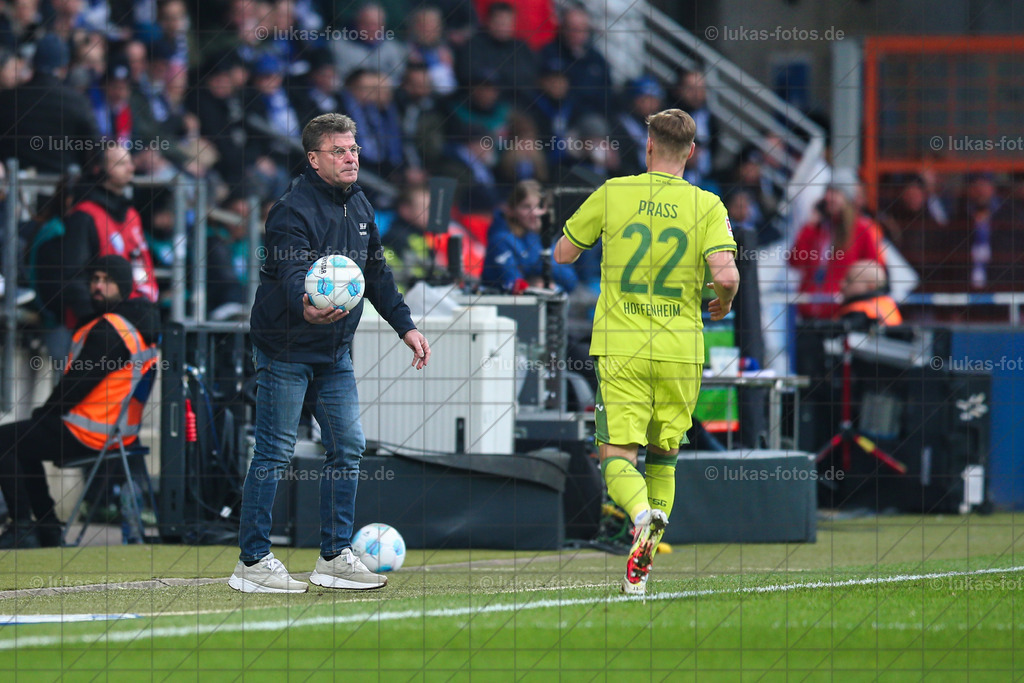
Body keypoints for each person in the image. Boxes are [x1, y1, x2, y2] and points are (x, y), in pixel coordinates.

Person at [229, 113, 431, 593]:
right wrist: (305, 303)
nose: (351, 157)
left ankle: (335, 556)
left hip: (335, 351)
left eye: (354, 149)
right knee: (274, 452)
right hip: (285, 348)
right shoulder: (289, 210)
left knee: (349, 447)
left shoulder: (360, 204)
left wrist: (405, 325)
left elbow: (376, 273)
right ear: (314, 159)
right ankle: (252, 562)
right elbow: (291, 271)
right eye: (339, 151)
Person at [554, 109, 739, 595]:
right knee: (664, 458)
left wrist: (586, 239)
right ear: (692, 153)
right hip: (682, 348)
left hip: (623, 344)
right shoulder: (708, 205)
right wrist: (724, 302)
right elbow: (726, 275)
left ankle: (640, 517)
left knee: (617, 454)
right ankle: (640, 574)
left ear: (649, 146)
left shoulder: (614, 193)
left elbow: (563, 253)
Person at [0, 255, 160, 548]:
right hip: (117, 434)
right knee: (22, 444)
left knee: (5, 440)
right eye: (95, 279)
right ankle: (46, 529)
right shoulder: (137, 325)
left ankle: (23, 526)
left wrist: (44, 413)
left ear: (123, 286)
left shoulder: (111, 328)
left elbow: (76, 385)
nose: (98, 286)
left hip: (88, 430)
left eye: (107, 280)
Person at [789, 183, 886, 320]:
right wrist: (810, 226)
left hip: (841, 312)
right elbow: (795, 261)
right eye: (827, 193)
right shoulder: (817, 229)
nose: (829, 198)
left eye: (835, 193)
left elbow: (875, 272)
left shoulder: (863, 229)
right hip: (809, 310)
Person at [482, 180, 577, 293]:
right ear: (511, 210)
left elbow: (571, 281)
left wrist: (551, 285)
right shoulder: (500, 240)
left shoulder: (545, 238)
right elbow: (515, 285)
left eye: (540, 206)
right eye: (526, 207)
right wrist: (538, 281)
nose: (534, 213)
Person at [837, 259, 903, 328]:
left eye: (849, 280)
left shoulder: (858, 312)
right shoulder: (887, 304)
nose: (842, 284)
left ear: (871, 286)